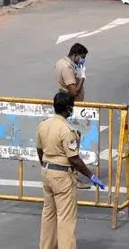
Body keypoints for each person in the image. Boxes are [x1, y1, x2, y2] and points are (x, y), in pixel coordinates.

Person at [36, 92, 105, 249]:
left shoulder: (43, 125)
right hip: (62, 176)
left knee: (48, 214)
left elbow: (39, 150)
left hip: (47, 172)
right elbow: (74, 159)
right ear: (68, 108)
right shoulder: (67, 130)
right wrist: (91, 175)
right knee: (65, 218)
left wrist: (46, 166)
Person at [54, 42, 90, 189]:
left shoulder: (61, 62)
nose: (82, 61)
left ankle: (69, 175)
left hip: (66, 107)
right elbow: (73, 92)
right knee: (73, 142)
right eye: (81, 58)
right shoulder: (68, 68)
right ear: (74, 55)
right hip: (69, 108)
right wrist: (81, 78)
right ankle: (73, 177)